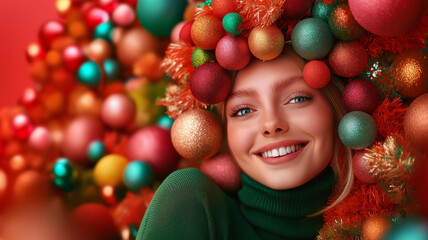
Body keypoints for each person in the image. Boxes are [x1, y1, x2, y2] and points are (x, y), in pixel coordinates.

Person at [136, 47, 354, 240]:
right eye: (244, 110)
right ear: (224, 132)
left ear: (336, 109)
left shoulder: (379, 223)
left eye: (297, 99)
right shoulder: (190, 203)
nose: (271, 124)